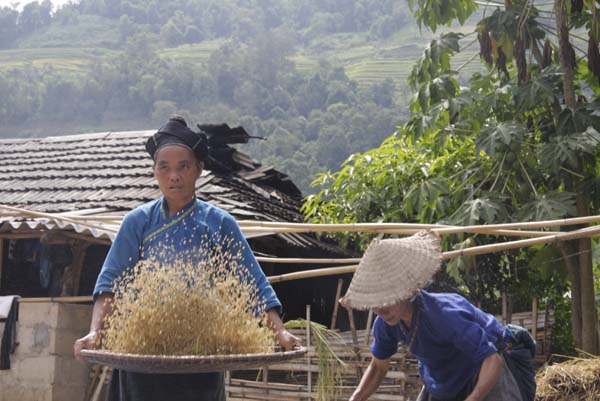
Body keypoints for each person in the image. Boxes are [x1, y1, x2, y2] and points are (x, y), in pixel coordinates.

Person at [73, 116, 301, 401]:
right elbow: (110, 283)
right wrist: (95, 333)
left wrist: (280, 332)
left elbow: (251, 282)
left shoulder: (219, 222)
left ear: (199, 169)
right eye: (164, 168)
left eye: (183, 167)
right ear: (154, 171)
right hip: (142, 357)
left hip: (200, 355)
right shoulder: (137, 222)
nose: (174, 176)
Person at [341, 231, 529, 401]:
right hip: (443, 381)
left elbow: (491, 359)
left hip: (482, 371)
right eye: (374, 304)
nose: (380, 310)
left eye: (386, 301)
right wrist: (357, 397)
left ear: (407, 291)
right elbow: (378, 367)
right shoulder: (385, 324)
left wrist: (473, 398)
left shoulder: (445, 316)